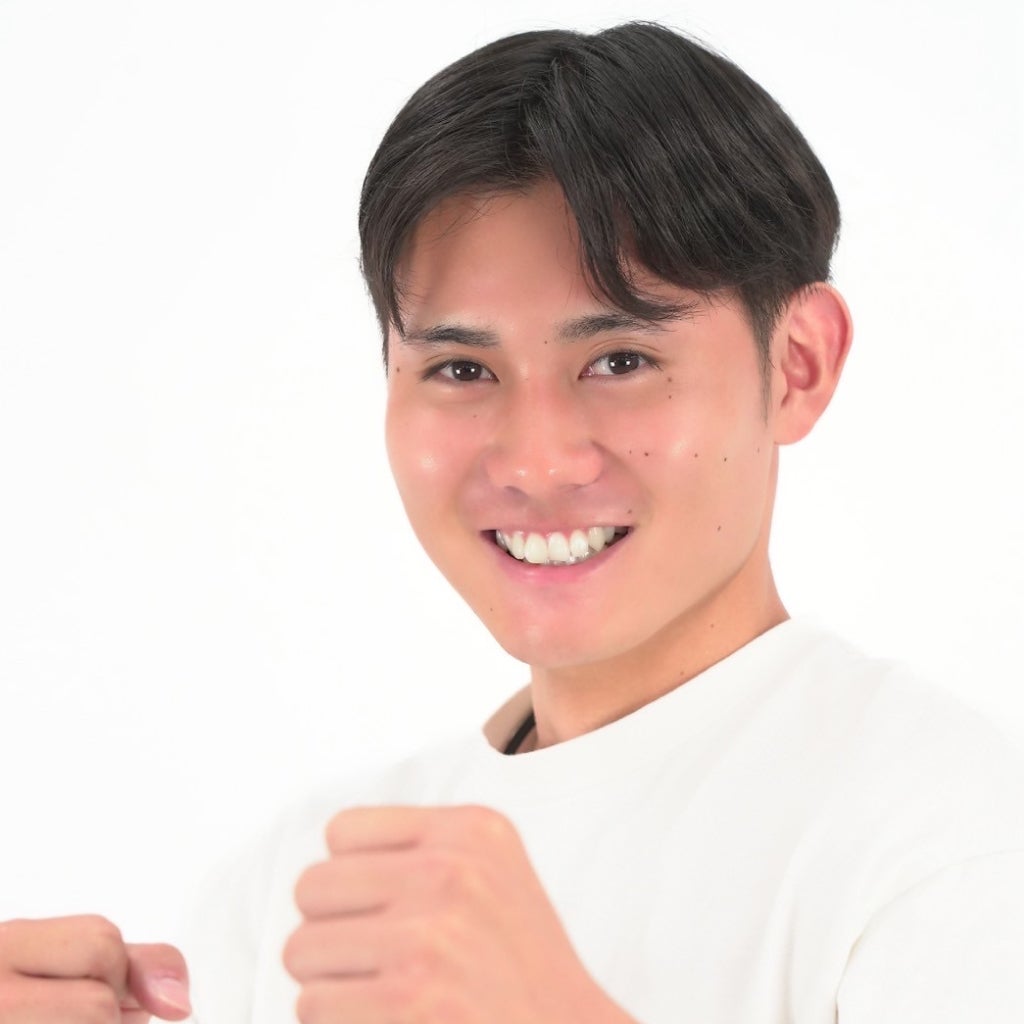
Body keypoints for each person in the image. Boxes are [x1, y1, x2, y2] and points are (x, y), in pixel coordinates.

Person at [2, 20, 1023, 1024]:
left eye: (620, 360)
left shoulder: (954, 838)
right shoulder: (300, 882)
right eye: (461, 369)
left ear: (797, 364)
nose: (536, 462)